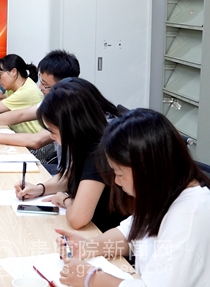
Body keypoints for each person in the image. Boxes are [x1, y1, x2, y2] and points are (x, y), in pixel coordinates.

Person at [57, 109, 210, 287]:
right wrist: (89, 246)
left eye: (119, 173)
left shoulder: (189, 217)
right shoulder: (163, 192)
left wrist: (91, 278)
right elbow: (130, 234)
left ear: (146, 169)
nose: (117, 181)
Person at [15, 78, 124, 232]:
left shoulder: (98, 153)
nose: (51, 137)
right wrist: (40, 189)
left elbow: (78, 219)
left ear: (72, 126)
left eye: (53, 131)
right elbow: (68, 177)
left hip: (101, 232)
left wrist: (65, 200)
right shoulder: (86, 142)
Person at [0, 50, 80, 163]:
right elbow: (21, 115)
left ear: (65, 84)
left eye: (45, 84)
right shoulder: (54, 100)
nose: (40, 87)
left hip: (56, 160)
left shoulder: (70, 108)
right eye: (41, 82)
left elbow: (36, 140)